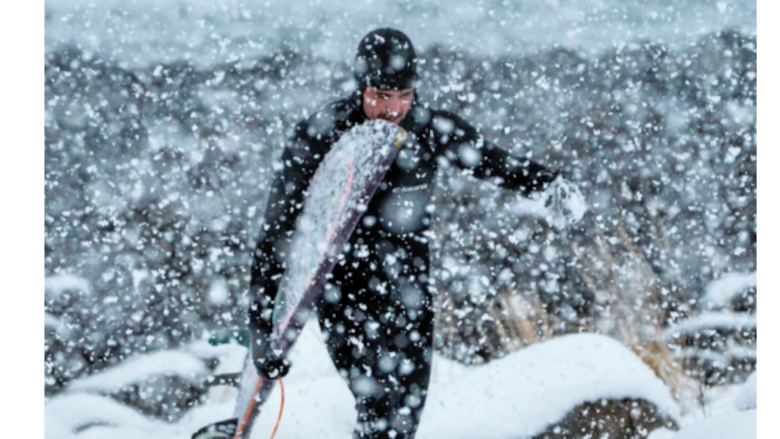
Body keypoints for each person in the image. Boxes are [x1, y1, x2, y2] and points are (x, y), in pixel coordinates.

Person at [249, 28, 585, 439]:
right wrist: (263, 331)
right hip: (344, 292)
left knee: (404, 415)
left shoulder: (427, 129)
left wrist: (548, 184)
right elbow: (277, 235)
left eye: (403, 96)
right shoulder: (322, 134)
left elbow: (492, 161)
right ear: (362, 87)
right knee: (376, 407)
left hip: (409, 288)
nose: (393, 108)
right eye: (381, 95)